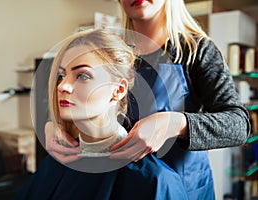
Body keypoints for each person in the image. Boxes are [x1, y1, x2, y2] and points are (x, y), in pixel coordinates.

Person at [45, 0, 251, 199]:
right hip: (121, 181)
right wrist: (53, 125)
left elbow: (239, 124)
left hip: (182, 186)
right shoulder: (113, 53)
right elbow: (76, 94)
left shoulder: (196, 51)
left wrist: (175, 124)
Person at [14, 28, 189, 199]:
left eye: (83, 76)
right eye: (61, 76)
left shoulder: (155, 181)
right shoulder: (56, 164)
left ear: (118, 90)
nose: (62, 86)